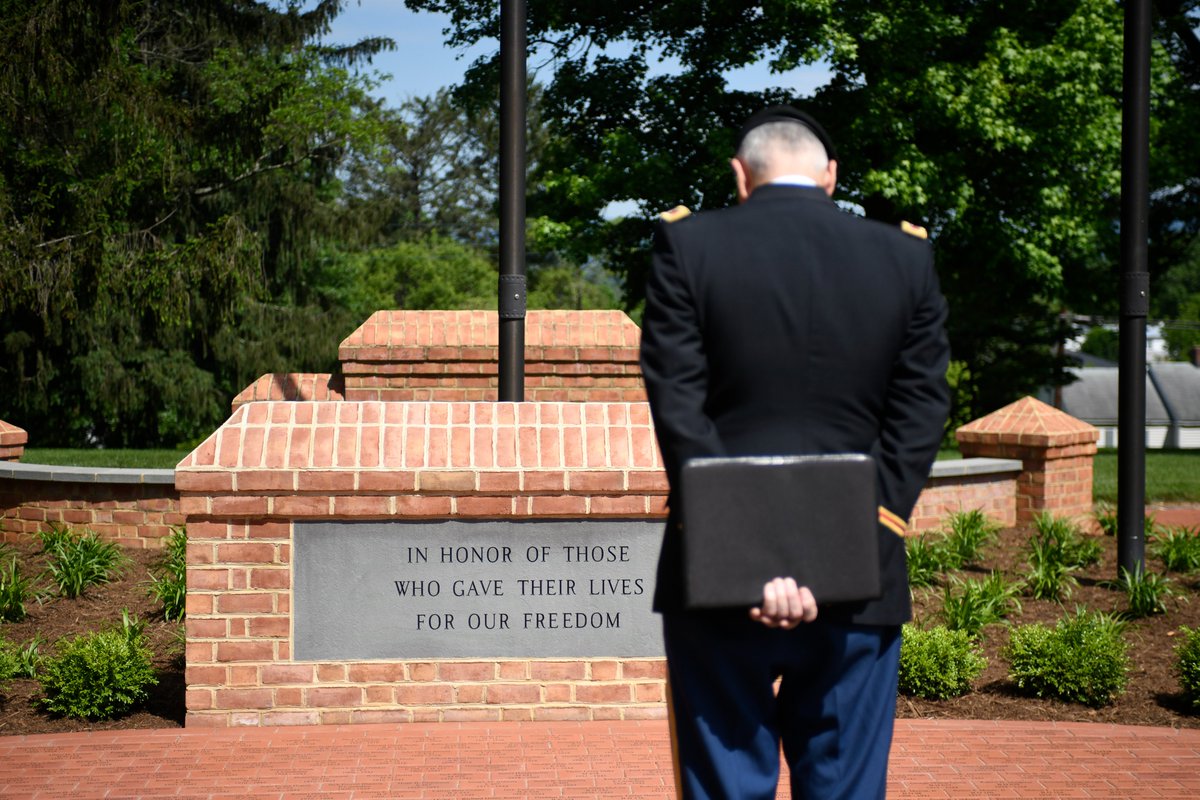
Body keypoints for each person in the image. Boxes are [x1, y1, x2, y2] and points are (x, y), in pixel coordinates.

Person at [639, 106, 951, 799]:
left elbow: (680, 412)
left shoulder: (689, 247)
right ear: (831, 177)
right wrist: (856, 551)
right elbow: (920, 416)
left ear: (739, 177)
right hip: (860, 587)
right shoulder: (905, 256)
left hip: (715, 581)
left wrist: (744, 557)